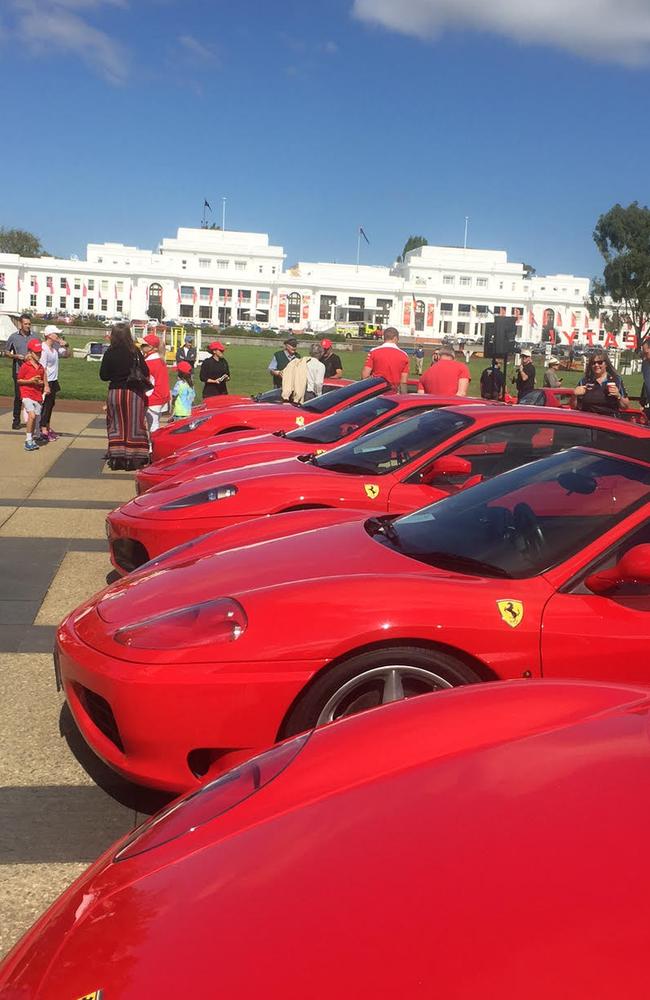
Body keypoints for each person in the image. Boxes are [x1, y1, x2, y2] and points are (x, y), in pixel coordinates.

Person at [99, 323, 151, 470]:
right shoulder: (135, 351)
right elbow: (145, 371)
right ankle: (134, 458)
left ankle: (117, 457)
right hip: (133, 393)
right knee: (134, 425)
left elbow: (103, 375)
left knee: (116, 424)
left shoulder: (110, 352)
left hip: (115, 392)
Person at [574, 351, 630, 417]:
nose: (596, 365)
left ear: (606, 364)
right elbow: (574, 406)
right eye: (593, 363)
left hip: (609, 421)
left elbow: (625, 406)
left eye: (600, 362)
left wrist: (618, 396)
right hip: (588, 420)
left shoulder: (616, 380)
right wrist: (574, 395)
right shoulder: (584, 381)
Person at [16, 338, 46, 452]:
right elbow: (19, 380)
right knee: (32, 415)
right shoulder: (25, 366)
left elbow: (42, 381)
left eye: (40, 352)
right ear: (30, 353)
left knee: (35, 418)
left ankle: (31, 438)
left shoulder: (41, 367)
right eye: (36, 352)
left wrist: (41, 383)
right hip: (26, 394)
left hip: (37, 395)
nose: (39, 354)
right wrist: (31, 381)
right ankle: (28, 440)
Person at [39, 324, 68, 441]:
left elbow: (66, 355)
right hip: (47, 381)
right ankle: (43, 429)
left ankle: (47, 426)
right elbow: (43, 368)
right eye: (56, 334)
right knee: (45, 405)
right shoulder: (44, 349)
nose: (58, 335)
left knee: (51, 404)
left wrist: (66, 345)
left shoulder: (55, 347)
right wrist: (46, 385)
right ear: (49, 335)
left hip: (53, 380)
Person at [4, 314, 31, 430]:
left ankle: (34, 420)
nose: (28, 326)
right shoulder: (13, 337)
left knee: (33, 396)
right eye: (26, 324)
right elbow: (6, 352)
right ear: (20, 324)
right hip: (18, 371)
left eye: (29, 324)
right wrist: (15, 356)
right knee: (19, 396)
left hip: (32, 370)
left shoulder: (34, 336)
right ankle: (16, 420)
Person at [361, 327, 409, 392]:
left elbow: (365, 375)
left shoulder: (374, 351)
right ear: (395, 338)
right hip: (393, 393)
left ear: (384, 337)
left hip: (376, 392)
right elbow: (403, 382)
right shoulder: (404, 355)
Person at [140, 333, 171, 434]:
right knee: (154, 424)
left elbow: (144, 381)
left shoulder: (149, 362)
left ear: (152, 347)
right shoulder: (160, 359)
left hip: (153, 397)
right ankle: (152, 446)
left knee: (153, 427)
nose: (141, 346)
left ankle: (154, 448)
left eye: (144, 345)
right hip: (161, 396)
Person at [641, 338, 650, 421]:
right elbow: (646, 383)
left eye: (646, 352)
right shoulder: (645, 364)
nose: (645, 355)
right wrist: (643, 402)